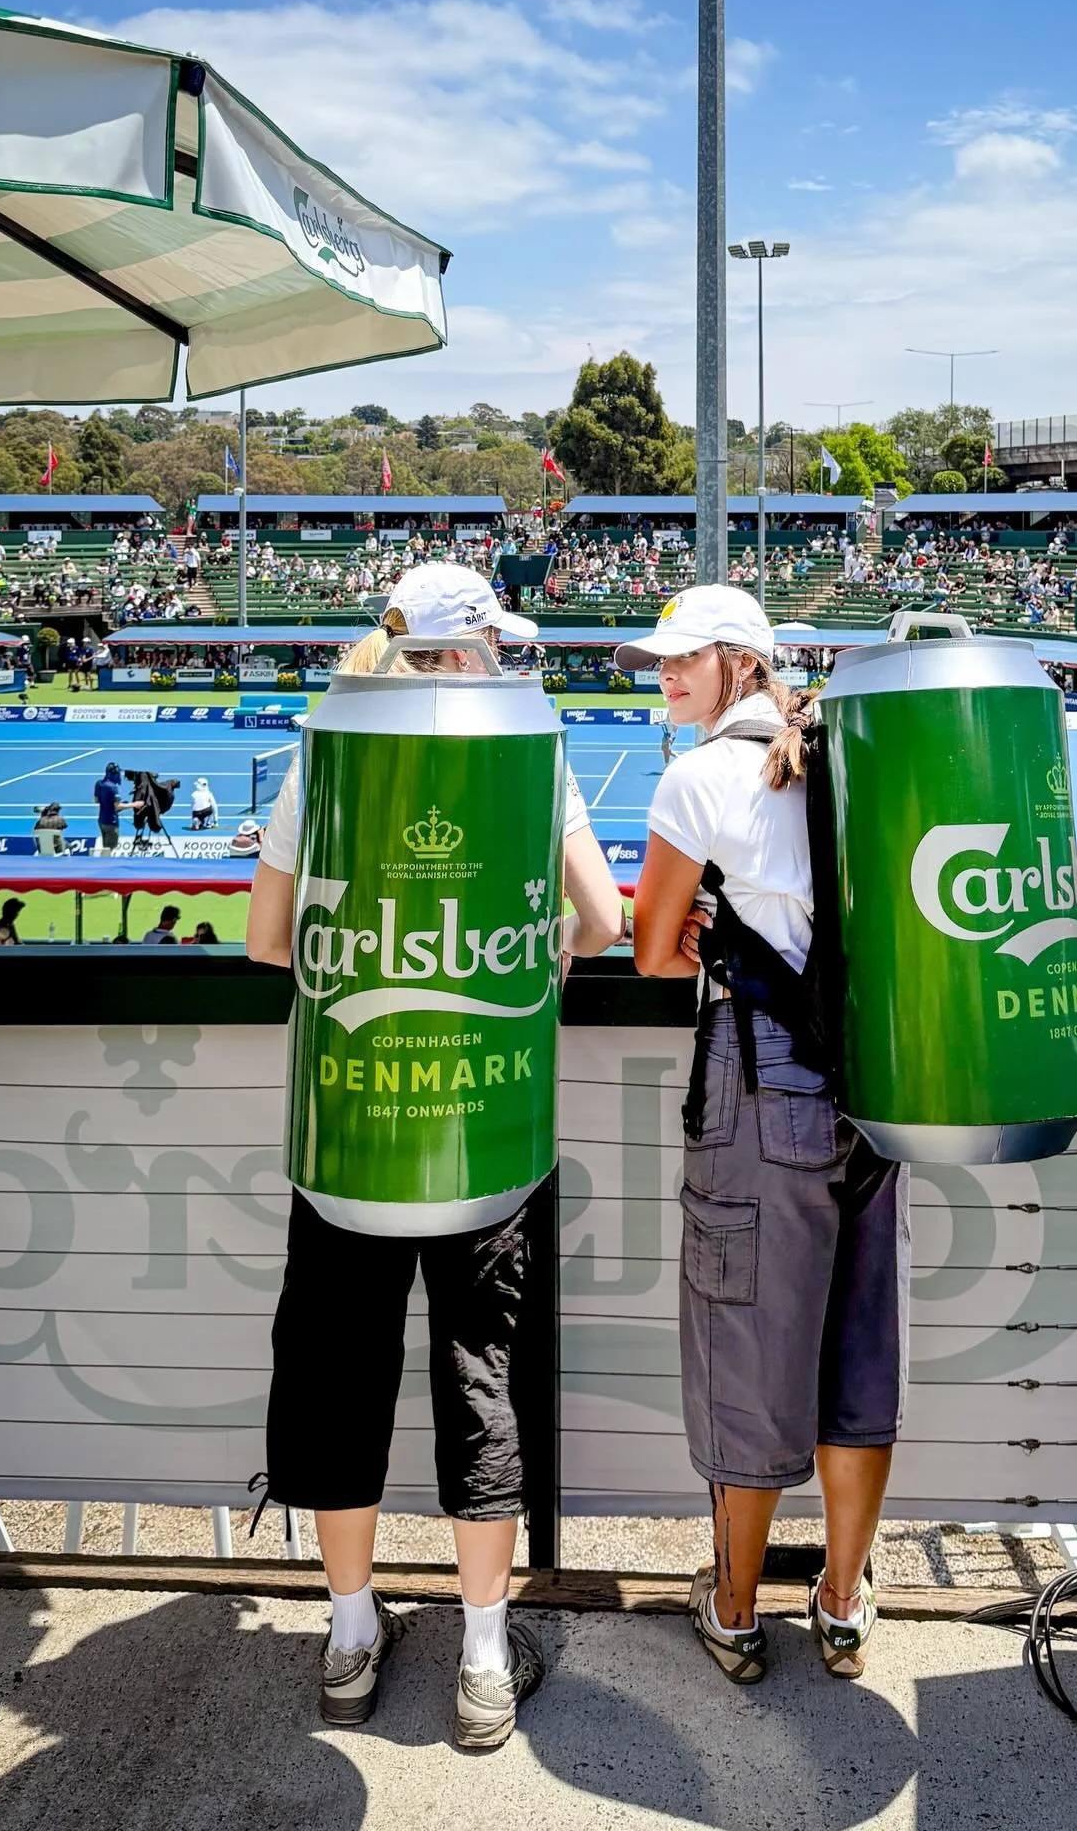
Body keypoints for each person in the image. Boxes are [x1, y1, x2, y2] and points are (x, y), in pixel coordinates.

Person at [244, 561, 623, 1748]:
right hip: (483, 1132)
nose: (507, 660)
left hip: (351, 1135)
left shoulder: (328, 748)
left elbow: (268, 943)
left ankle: (353, 1637)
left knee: (337, 1381)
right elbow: (606, 921)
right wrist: (532, 960)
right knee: (482, 1383)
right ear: (462, 656)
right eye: (494, 645)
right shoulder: (529, 751)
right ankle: (479, 1660)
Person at [627, 585, 910, 1688]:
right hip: (874, 1086)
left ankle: (738, 1609)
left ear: (741, 666)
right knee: (856, 1350)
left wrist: (706, 932)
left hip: (762, 1091)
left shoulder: (699, 777)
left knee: (747, 1346)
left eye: (681, 662)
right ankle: (841, 1601)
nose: (664, 681)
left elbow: (651, 951)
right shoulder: (846, 764)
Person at [93, 763, 131, 857]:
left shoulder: (98, 784)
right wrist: (133, 805)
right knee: (109, 849)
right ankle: (102, 866)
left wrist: (108, 804)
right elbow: (117, 807)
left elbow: (96, 800)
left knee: (106, 846)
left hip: (102, 820)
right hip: (111, 821)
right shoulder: (113, 788)